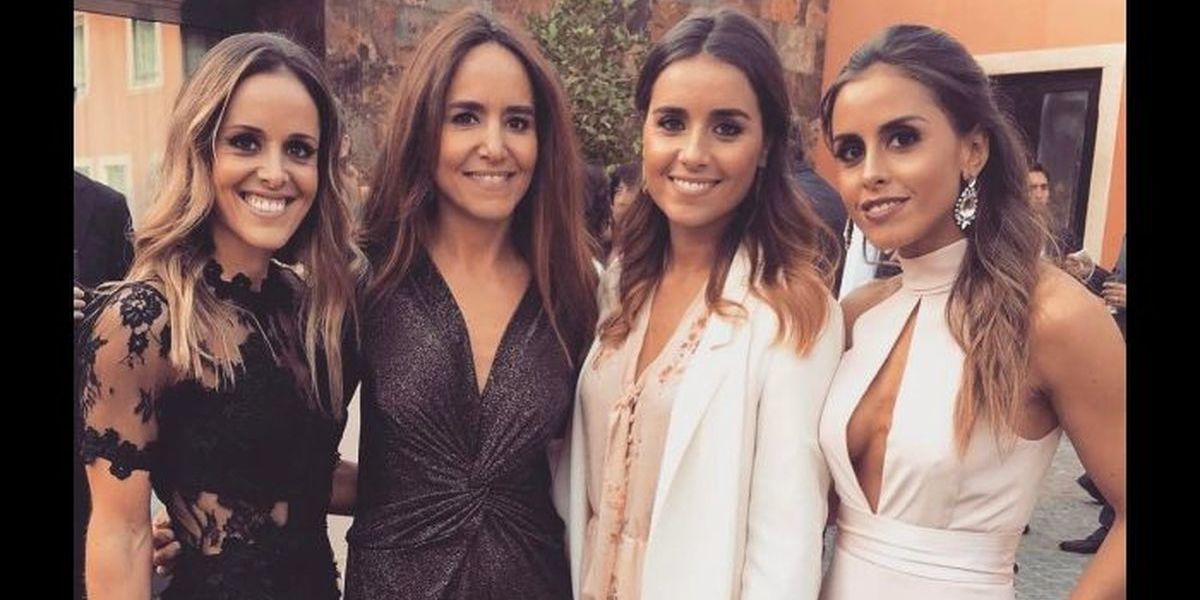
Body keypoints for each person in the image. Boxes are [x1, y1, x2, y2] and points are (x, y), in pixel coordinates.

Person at [817, 24, 1125, 598]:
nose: (870, 172)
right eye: (850, 151)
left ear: (973, 150)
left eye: (902, 138)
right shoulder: (857, 315)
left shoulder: (1051, 314)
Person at [558, 8, 843, 598]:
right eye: (671, 122)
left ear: (765, 145)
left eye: (727, 128)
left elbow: (785, 547)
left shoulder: (793, 310)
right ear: (644, 133)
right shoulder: (620, 285)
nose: (692, 153)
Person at [77, 32, 364, 600]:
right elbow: (122, 535)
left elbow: (300, 476)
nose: (275, 172)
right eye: (245, 142)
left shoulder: (314, 309)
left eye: (299, 149)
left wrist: (459, 489)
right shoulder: (143, 321)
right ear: (201, 150)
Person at [344, 9, 598, 598]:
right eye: (465, 117)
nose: (495, 146)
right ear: (423, 129)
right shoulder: (367, 278)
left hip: (535, 582)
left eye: (518, 122)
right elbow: (285, 440)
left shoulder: (575, 289)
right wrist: (203, 510)